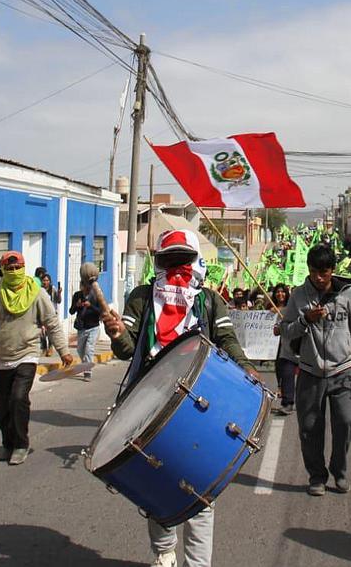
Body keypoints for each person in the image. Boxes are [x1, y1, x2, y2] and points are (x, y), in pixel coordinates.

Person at [101, 229, 253, 567]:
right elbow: (127, 349)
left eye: (184, 260)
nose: (176, 269)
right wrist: (117, 333)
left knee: (201, 489)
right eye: (170, 261)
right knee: (155, 482)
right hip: (149, 404)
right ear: (159, 262)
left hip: (200, 406)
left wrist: (246, 369)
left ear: (196, 260)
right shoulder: (142, 297)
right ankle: (164, 552)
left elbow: (226, 340)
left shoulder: (209, 300)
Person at [0, 251, 73, 466]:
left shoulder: (37, 294)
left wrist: (63, 350)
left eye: (17, 268)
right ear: (2, 270)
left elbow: (52, 323)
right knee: (3, 406)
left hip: (27, 355)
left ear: (24, 268)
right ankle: (7, 444)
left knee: (18, 398)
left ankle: (21, 444)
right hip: (1, 358)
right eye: (9, 269)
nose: (13, 272)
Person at [281, 243, 351, 497]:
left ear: (332, 270)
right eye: (314, 272)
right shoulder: (298, 295)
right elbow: (286, 331)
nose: (319, 278)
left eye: (324, 272)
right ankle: (317, 476)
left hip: (342, 371)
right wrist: (305, 320)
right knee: (309, 428)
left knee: (346, 421)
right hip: (310, 372)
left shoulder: (347, 294)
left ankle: (339, 470)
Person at [70, 262, 104, 381]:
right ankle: (86, 365)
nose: (85, 289)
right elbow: (71, 311)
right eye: (83, 286)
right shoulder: (77, 295)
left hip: (93, 327)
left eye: (87, 287)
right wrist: (77, 305)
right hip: (81, 328)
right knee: (80, 350)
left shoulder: (96, 295)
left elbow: (101, 311)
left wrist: (91, 306)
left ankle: (87, 372)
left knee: (89, 349)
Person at [272, 284, 297, 415]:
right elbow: (276, 331)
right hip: (287, 349)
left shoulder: (307, 310)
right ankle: (287, 403)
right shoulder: (284, 311)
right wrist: (280, 326)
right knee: (286, 373)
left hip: (306, 349)